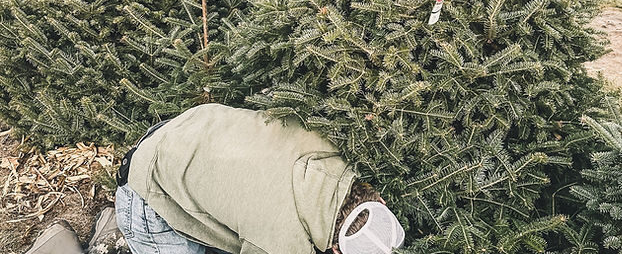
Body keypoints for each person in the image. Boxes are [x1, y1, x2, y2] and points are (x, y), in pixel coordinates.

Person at [114, 103, 405, 254]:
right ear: (336, 250)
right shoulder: (281, 242)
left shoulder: (332, 150)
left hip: (190, 127)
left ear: (378, 198)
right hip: (147, 188)